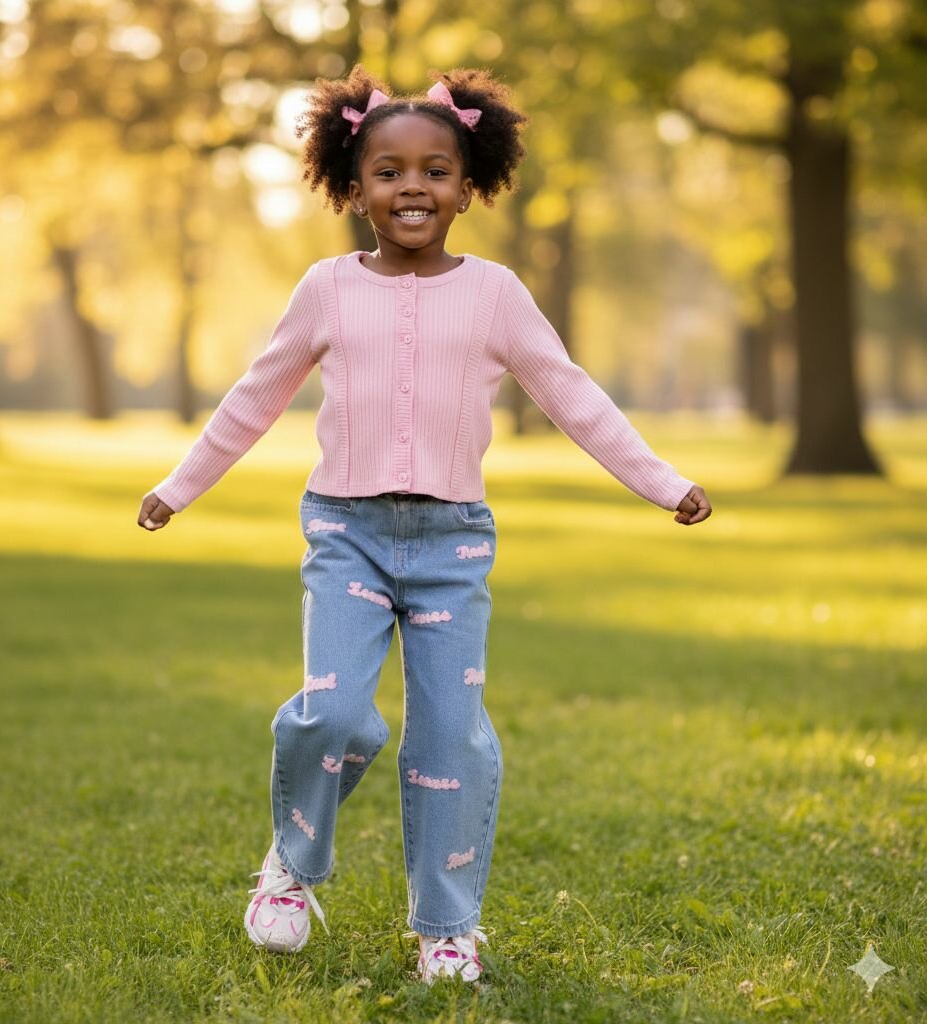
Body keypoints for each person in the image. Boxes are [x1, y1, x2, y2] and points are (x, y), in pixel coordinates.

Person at [137, 63, 712, 984]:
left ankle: (448, 927)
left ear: (468, 187)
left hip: (453, 545)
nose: (413, 187)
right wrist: (178, 487)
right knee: (333, 714)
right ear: (352, 186)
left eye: (436, 171)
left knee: (450, 739)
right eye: (390, 171)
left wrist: (663, 482)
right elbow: (255, 396)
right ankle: (291, 867)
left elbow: (573, 396)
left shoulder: (495, 295)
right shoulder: (326, 289)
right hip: (346, 535)